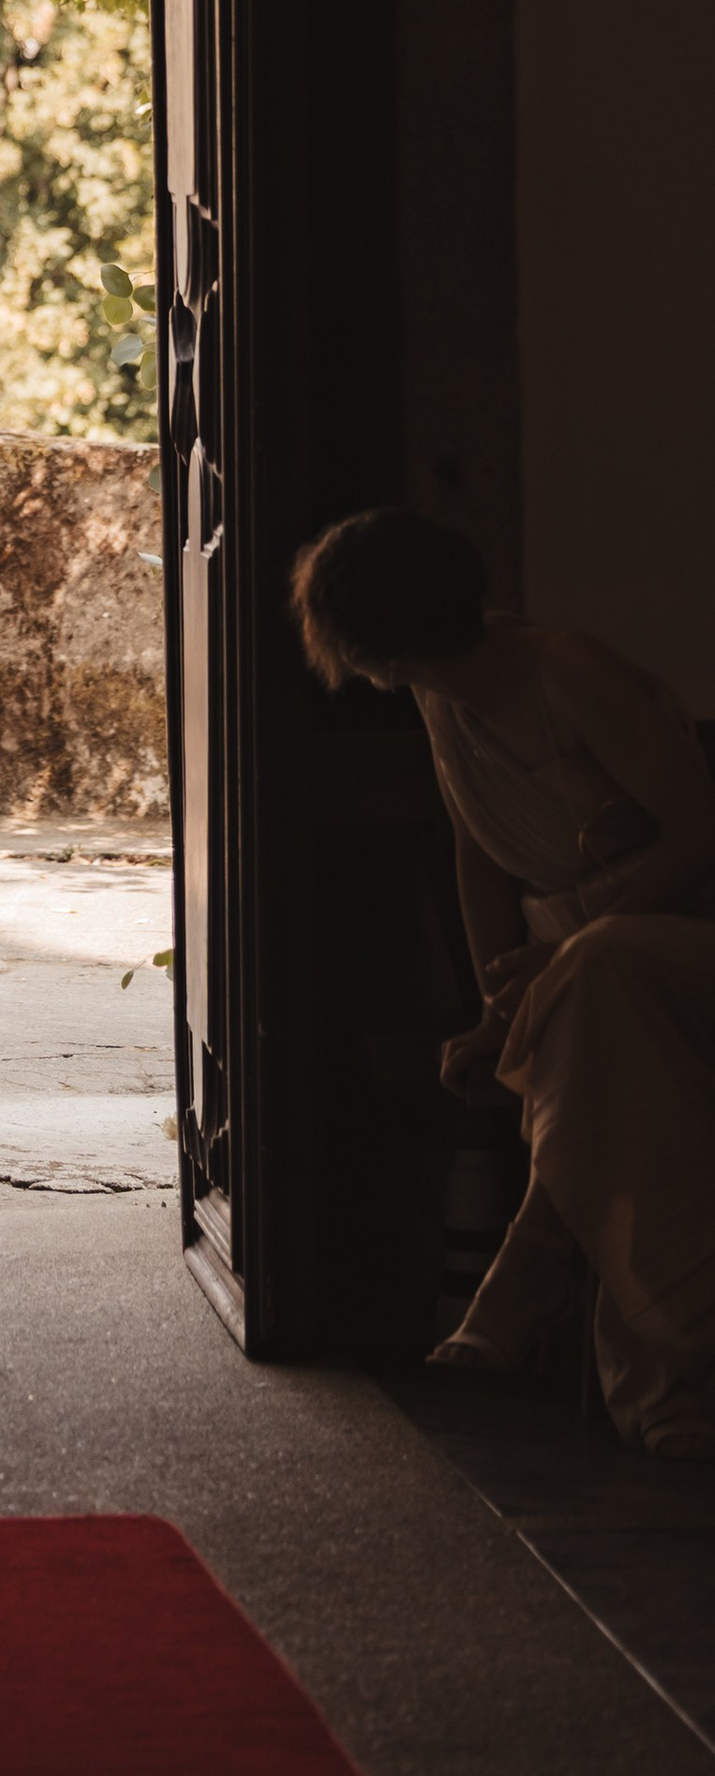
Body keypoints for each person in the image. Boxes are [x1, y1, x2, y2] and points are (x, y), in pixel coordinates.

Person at [292, 505, 715, 1459]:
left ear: (367, 638)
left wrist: (569, 955)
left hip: (673, 943)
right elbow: (479, 854)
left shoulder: (568, 673)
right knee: (590, 1033)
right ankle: (662, 1388)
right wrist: (495, 1001)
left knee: (602, 979)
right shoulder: (439, 697)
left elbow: (697, 830)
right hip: (571, 975)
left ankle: (537, 1300)